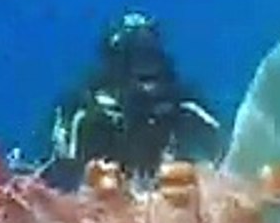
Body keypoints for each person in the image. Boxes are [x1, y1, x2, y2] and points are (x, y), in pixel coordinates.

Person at [42, 11, 222, 189]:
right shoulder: (84, 111)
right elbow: (57, 172)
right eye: (133, 59)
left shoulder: (184, 104)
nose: (145, 71)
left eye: (149, 56)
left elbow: (223, 150)